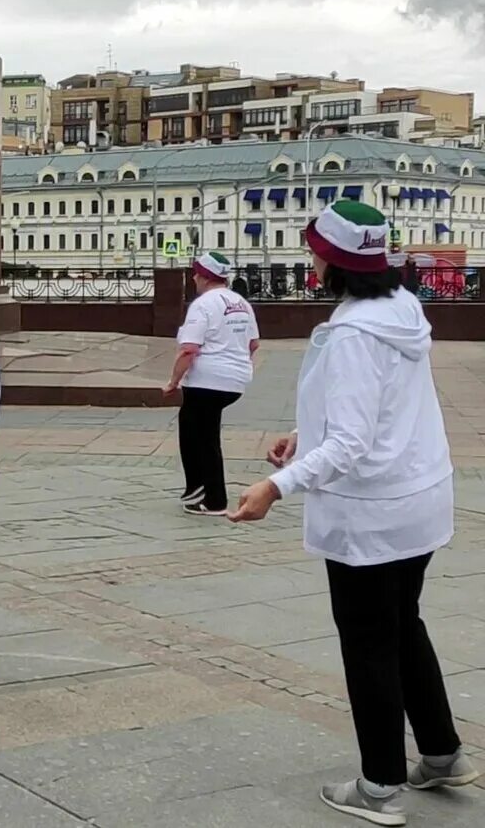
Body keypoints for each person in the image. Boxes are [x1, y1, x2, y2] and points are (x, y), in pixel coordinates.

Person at [230, 200, 478, 826]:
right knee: (404, 624)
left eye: (315, 249)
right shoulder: (401, 309)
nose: (310, 257)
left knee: (369, 642)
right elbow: (369, 410)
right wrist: (300, 432)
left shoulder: (350, 334)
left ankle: (379, 786)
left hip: (372, 511)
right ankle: (443, 754)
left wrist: (275, 485)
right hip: (419, 497)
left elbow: (351, 442)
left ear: (332, 260)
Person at [164, 251, 259, 516]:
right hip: (236, 380)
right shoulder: (240, 302)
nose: (193, 277)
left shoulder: (204, 304)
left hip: (207, 381)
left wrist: (173, 381)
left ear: (204, 276)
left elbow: (189, 349)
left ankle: (212, 498)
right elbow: (253, 343)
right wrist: (237, 366)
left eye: (196, 272)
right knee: (201, 430)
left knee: (199, 437)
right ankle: (197, 490)